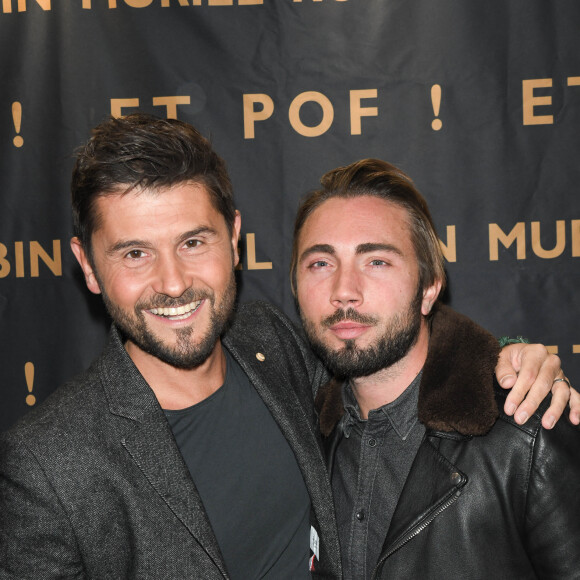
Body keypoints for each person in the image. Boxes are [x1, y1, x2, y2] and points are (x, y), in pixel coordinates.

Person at [0, 115, 573, 579]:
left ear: (234, 239)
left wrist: (510, 358)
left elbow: (386, 342)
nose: (173, 283)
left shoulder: (269, 342)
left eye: (194, 242)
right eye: (134, 253)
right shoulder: (46, 465)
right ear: (87, 267)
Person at [291, 158, 580, 579]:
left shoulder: (526, 434)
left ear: (428, 289)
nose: (343, 291)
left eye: (376, 262)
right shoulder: (299, 428)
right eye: (320, 263)